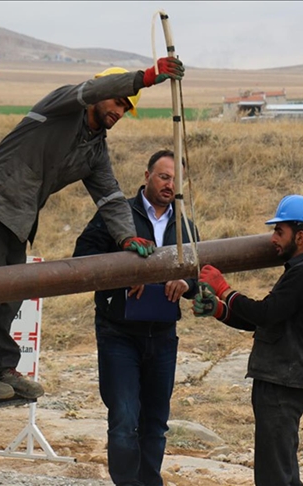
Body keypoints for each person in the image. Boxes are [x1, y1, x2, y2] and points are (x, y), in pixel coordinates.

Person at [0, 59, 185, 400]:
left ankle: (1, 366)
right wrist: (146, 78)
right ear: (103, 93)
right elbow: (91, 90)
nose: (120, 111)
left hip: (19, 217)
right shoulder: (63, 105)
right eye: (118, 101)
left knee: (11, 292)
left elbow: (109, 196)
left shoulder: (95, 148)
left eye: (125, 107)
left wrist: (127, 236)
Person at [72, 149, 198, 486]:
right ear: (146, 176)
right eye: (163, 176)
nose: (170, 185)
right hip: (119, 333)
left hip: (163, 335)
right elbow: (82, 258)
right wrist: (125, 273)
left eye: (176, 179)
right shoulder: (117, 215)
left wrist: (186, 282)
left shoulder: (185, 225)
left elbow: (200, 272)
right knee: (125, 420)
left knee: (156, 423)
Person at [193, 195, 303, 486]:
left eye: (278, 232)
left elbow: (266, 313)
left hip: (282, 382)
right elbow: (266, 319)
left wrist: (224, 289)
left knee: (274, 475)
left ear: (301, 235)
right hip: (282, 380)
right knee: (283, 471)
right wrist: (221, 309)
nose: (273, 239)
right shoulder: (301, 271)